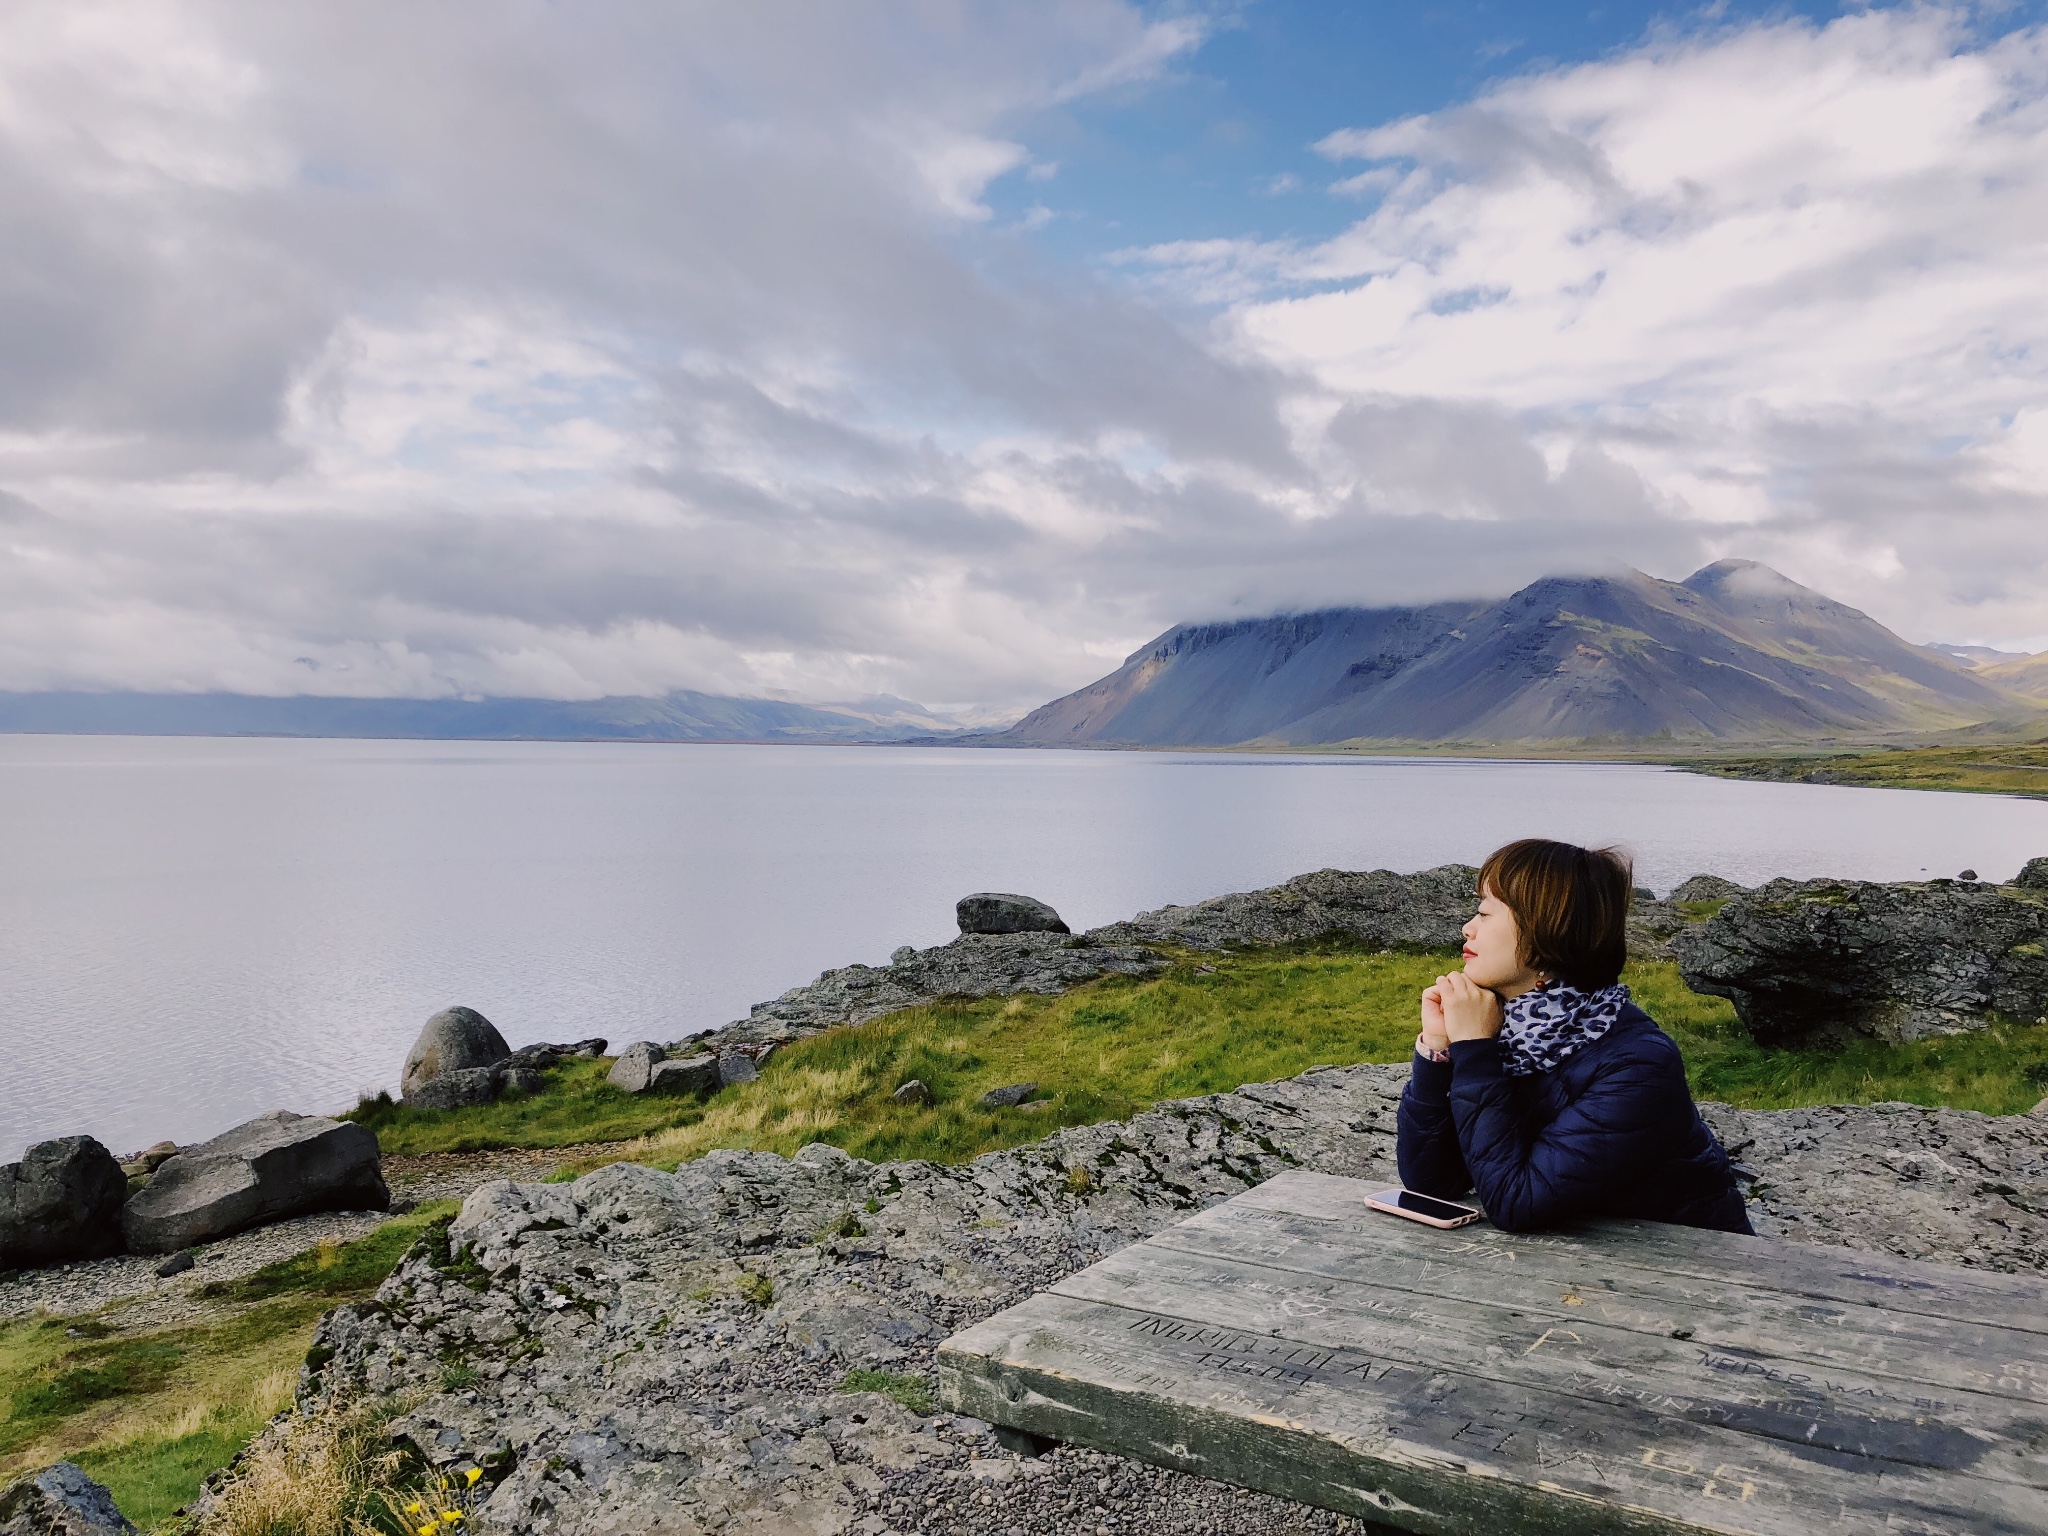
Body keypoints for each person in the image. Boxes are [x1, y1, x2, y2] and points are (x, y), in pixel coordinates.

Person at [1397, 838, 1751, 1235]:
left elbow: (1517, 1203)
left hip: (1690, 1272)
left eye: (1484, 913)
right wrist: (1438, 1050)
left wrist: (1476, 1053)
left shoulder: (1638, 1064)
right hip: (1584, 1267)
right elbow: (1431, 1183)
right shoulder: (1505, 1027)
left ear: (1548, 927)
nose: (1468, 928)